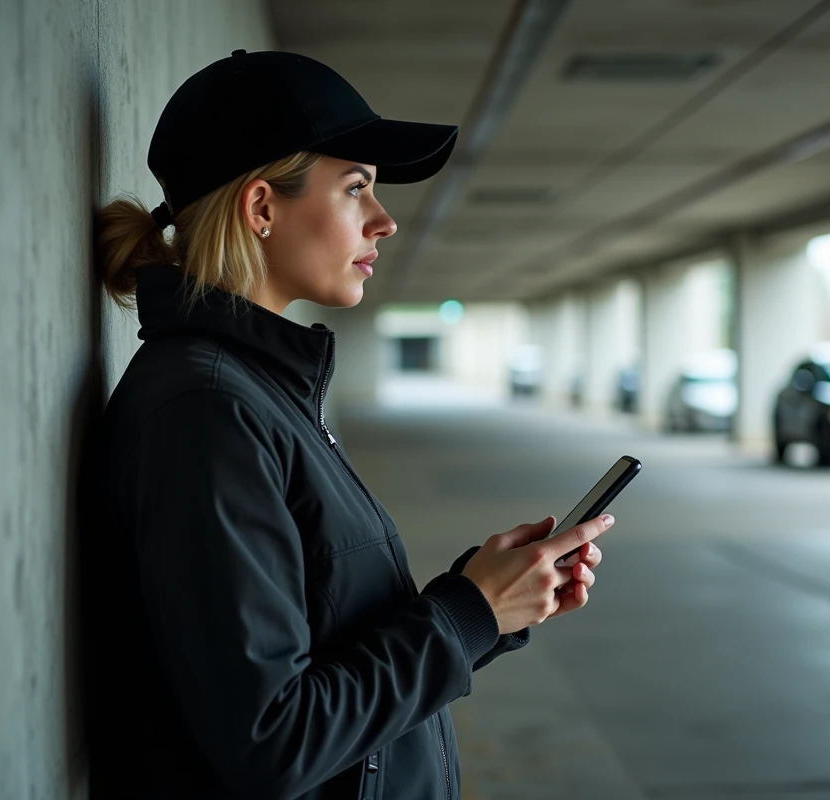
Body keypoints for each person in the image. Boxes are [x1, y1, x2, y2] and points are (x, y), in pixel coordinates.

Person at [83, 49, 613, 799]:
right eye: (356, 187)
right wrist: (469, 615)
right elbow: (272, 740)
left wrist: (489, 600)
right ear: (262, 207)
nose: (386, 220)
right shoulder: (206, 413)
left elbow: (328, 648)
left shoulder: (257, 391)